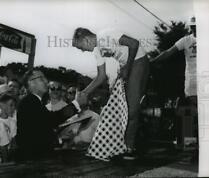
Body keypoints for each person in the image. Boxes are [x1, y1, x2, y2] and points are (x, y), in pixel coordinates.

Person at [72, 28, 149, 161]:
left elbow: (134, 43)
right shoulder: (97, 51)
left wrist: (127, 67)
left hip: (139, 61)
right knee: (120, 108)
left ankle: (129, 147)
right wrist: (85, 93)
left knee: (131, 109)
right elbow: (101, 77)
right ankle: (122, 145)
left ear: (86, 39)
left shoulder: (106, 34)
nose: (83, 51)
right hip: (127, 66)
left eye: (81, 47)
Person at [151, 16, 197, 160]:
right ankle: (190, 150)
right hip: (192, 84)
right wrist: (152, 62)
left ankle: (192, 150)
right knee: (190, 115)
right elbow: (167, 53)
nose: (195, 28)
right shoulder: (185, 40)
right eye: (193, 26)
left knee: (195, 116)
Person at [16, 70, 87, 161]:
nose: (46, 81)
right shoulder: (30, 102)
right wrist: (76, 104)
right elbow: (52, 119)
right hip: (32, 159)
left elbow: (42, 127)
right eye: (41, 78)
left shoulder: (35, 102)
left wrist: (58, 139)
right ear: (31, 83)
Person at [0, 94, 17, 160]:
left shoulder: (12, 122)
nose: (13, 108)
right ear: (2, 105)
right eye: (11, 105)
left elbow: (13, 141)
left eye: (14, 106)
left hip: (7, 154)